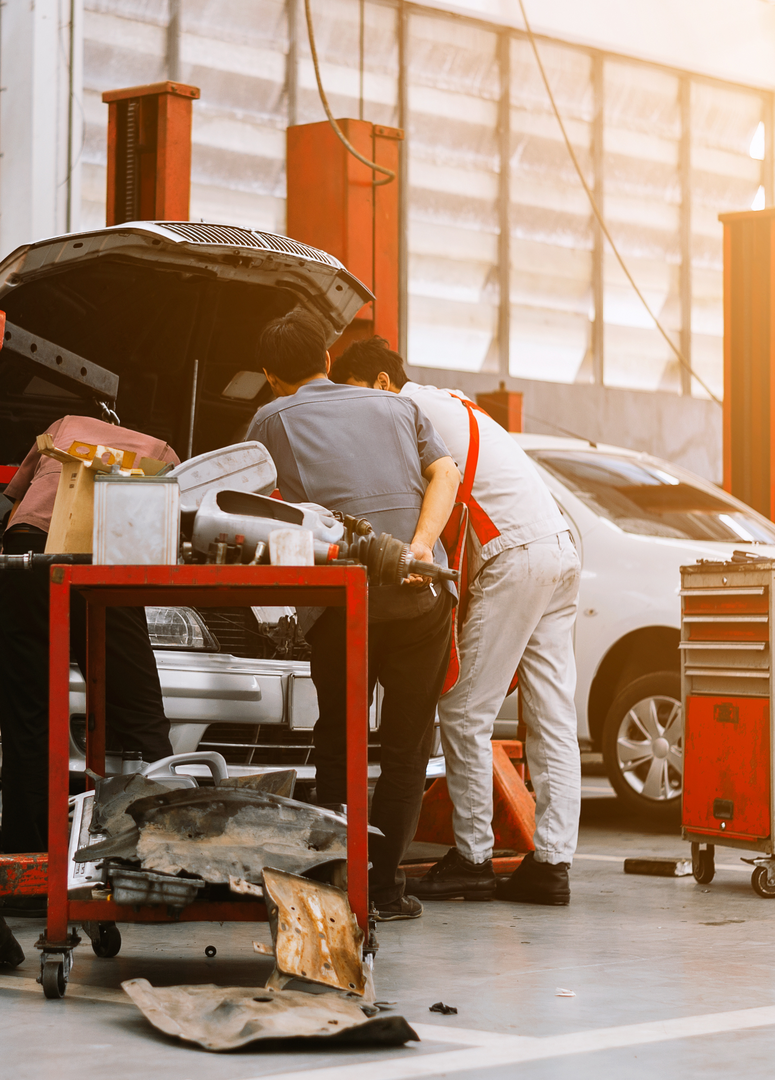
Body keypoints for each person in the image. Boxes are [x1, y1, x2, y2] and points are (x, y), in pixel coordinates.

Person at [331, 337, 581, 905]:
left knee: (464, 710)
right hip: (558, 546)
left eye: (353, 400)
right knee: (551, 714)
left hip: (516, 551)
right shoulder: (449, 402)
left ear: (379, 385)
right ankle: (552, 865)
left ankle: (471, 857)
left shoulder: (409, 412)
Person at [244, 309, 460, 921]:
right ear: (331, 359)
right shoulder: (399, 406)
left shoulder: (271, 418)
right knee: (405, 749)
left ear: (269, 375)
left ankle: (340, 884)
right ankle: (385, 892)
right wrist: (420, 546)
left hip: (344, 603)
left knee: (339, 740)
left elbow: (248, 503)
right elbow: (444, 472)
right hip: (424, 593)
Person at [0, 415, 179, 870]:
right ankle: (174, 851)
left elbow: (13, 504)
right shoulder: (165, 454)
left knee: (29, 722)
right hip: (101, 565)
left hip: (26, 560)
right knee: (143, 720)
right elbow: (161, 537)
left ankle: (29, 866)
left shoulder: (64, 425)